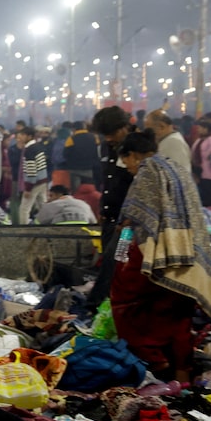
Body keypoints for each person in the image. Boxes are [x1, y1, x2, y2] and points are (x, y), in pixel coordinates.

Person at [112, 129, 211, 382]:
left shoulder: (148, 170)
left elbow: (133, 218)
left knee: (126, 305)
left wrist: (118, 251)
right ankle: (182, 374)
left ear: (134, 155)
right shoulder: (177, 169)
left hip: (154, 254)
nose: (127, 168)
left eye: (126, 162)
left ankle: (157, 364)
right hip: (187, 254)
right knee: (178, 313)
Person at [85, 106, 136, 311]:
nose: (108, 138)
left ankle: (100, 307)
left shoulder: (136, 147)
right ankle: (108, 307)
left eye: (112, 133)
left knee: (115, 264)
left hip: (127, 224)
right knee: (109, 262)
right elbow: (108, 181)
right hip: (110, 218)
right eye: (105, 134)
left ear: (125, 127)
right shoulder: (108, 147)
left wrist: (130, 217)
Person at [17, 126, 50, 224]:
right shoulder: (39, 146)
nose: (20, 137)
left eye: (23, 135)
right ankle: (48, 226)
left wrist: (28, 188)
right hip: (43, 181)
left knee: (24, 209)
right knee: (43, 207)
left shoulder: (29, 150)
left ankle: (24, 231)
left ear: (29, 136)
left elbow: (31, 171)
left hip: (34, 183)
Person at [144, 109, 191, 175]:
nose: (146, 133)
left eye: (148, 128)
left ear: (161, 127)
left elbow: (176, 176)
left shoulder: (174, 143)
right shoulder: (168, 140)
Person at [62, 121, 99, 192]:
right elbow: (97, 152)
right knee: (88, 189)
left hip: (74, 168)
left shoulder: (71, 139)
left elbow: (65, 154)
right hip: (89, 168)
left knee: (76, 191)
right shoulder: (94, 137)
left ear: (74, 129)